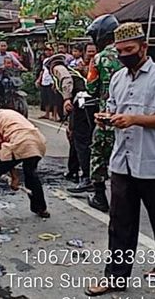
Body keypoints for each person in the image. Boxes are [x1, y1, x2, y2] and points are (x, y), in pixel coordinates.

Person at [86, 22, 155, 297]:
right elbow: (112, 110)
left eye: (129, 50)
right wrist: (105, 119)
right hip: (122, 162)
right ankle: (115, 277)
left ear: (143, 47)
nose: (124, 54)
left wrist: (134, 120)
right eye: (120, 51)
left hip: (152, 161)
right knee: (120, 223)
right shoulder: (118, 78)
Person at [0, 95, 49, 232]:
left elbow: (1, 150)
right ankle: (40, 208)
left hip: (19, 142)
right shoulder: (5, 112)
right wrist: (15, 177)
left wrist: (14, 177)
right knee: (30, 172)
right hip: (38, 142)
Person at [84, 14, 123, 212]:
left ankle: (100, 197)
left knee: (98, 154)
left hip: (107, 118)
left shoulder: (98, 59)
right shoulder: (127, 53)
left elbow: (91, 88)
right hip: (131, 117)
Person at [48, 54, 96, 193]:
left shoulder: (59, 68)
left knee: (81, 141)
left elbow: (66, 80)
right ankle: (73, 170)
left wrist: (66, 99)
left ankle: (86, 177)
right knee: (74, 137)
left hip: (80, 103)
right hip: (84, 104)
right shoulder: (72, 70)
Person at [36, 45, 60, 121]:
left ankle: (55, 115)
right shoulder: (45, 60)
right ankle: (47, 114)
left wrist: (55, 82)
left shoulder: (56, 60)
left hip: (52, 80)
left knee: (54, 99)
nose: (48, 52)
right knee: (45, 98)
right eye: (46, 50)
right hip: (45, 80)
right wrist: (39, 79)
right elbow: (43, 71)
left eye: (49, 50)